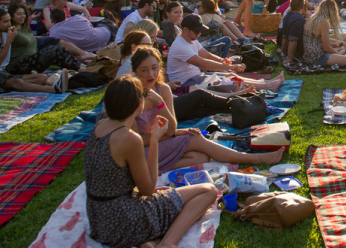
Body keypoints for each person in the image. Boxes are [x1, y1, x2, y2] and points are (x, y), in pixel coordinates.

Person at [84, 75, 217, 247]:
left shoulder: (99, 127)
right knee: (208, 190)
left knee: (164, 195)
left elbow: (113, 177)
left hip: (98, 220)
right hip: (123, 220)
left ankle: (148, 241)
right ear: (139, 105)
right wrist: (154, 140)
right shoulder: (129, 138)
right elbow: (148, 190)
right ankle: (168, 242)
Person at [129, 46, 284, 170]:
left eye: (154, 68)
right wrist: (170, 131)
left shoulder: (163, 89)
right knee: (196, 138)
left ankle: (155, 168)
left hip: (159, 141)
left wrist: (163, 108)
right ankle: (256, 158)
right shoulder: (131, 95)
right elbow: (137, 141)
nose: (151, 74)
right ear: (135, 72)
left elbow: (171, 127)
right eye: (144, 70)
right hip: (140, 152)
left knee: (200, 157)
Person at [166, 14, 283, 93]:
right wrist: (230, 66)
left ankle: (267, 83)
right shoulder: (180, 46)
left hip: (196, 77)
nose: (199, 34)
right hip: (187, 83)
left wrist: (222, 61)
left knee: (231, 75)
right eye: (197, 31)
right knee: (229, 79)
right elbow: (204, 64)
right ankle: (268, 86)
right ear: (185, 30)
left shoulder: (191, 40)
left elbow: (207, 55)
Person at [302, 0, 346, 68]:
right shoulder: (323, 22)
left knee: (342, 49)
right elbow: (326, 48)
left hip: (308, 56)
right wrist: (337, 54)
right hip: (317, 58)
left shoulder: (312, 18)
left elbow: (316, 42)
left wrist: (335, 45)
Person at [48, 7, 112, 52]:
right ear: (65, 16)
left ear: (52, 20)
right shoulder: (77, 18)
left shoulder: (54, 33)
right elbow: (90, 25)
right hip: (105, 35)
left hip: (88, 48)